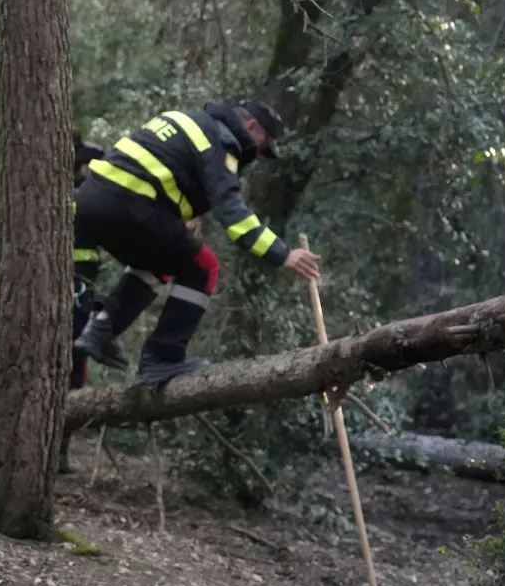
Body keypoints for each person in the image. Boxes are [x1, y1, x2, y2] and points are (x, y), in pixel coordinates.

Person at [72, 99, 321, 385]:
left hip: (90, 201)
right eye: (262, 146)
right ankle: (162, 358)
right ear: (251, 126)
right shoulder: (218, 141)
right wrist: (283, 254)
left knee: (160, 261)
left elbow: (162, 170)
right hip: (131, 203)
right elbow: (233, 215)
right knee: (203, 266)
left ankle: (99, 329)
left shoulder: (188, 120)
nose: (257, 155)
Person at [59, 128, 106, 473]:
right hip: (77, 288)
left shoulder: (65, 191)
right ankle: (58, 450)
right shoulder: (83, 194)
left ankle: (59, 451)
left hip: (80, 287)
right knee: (74, 364)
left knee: (73, 364)